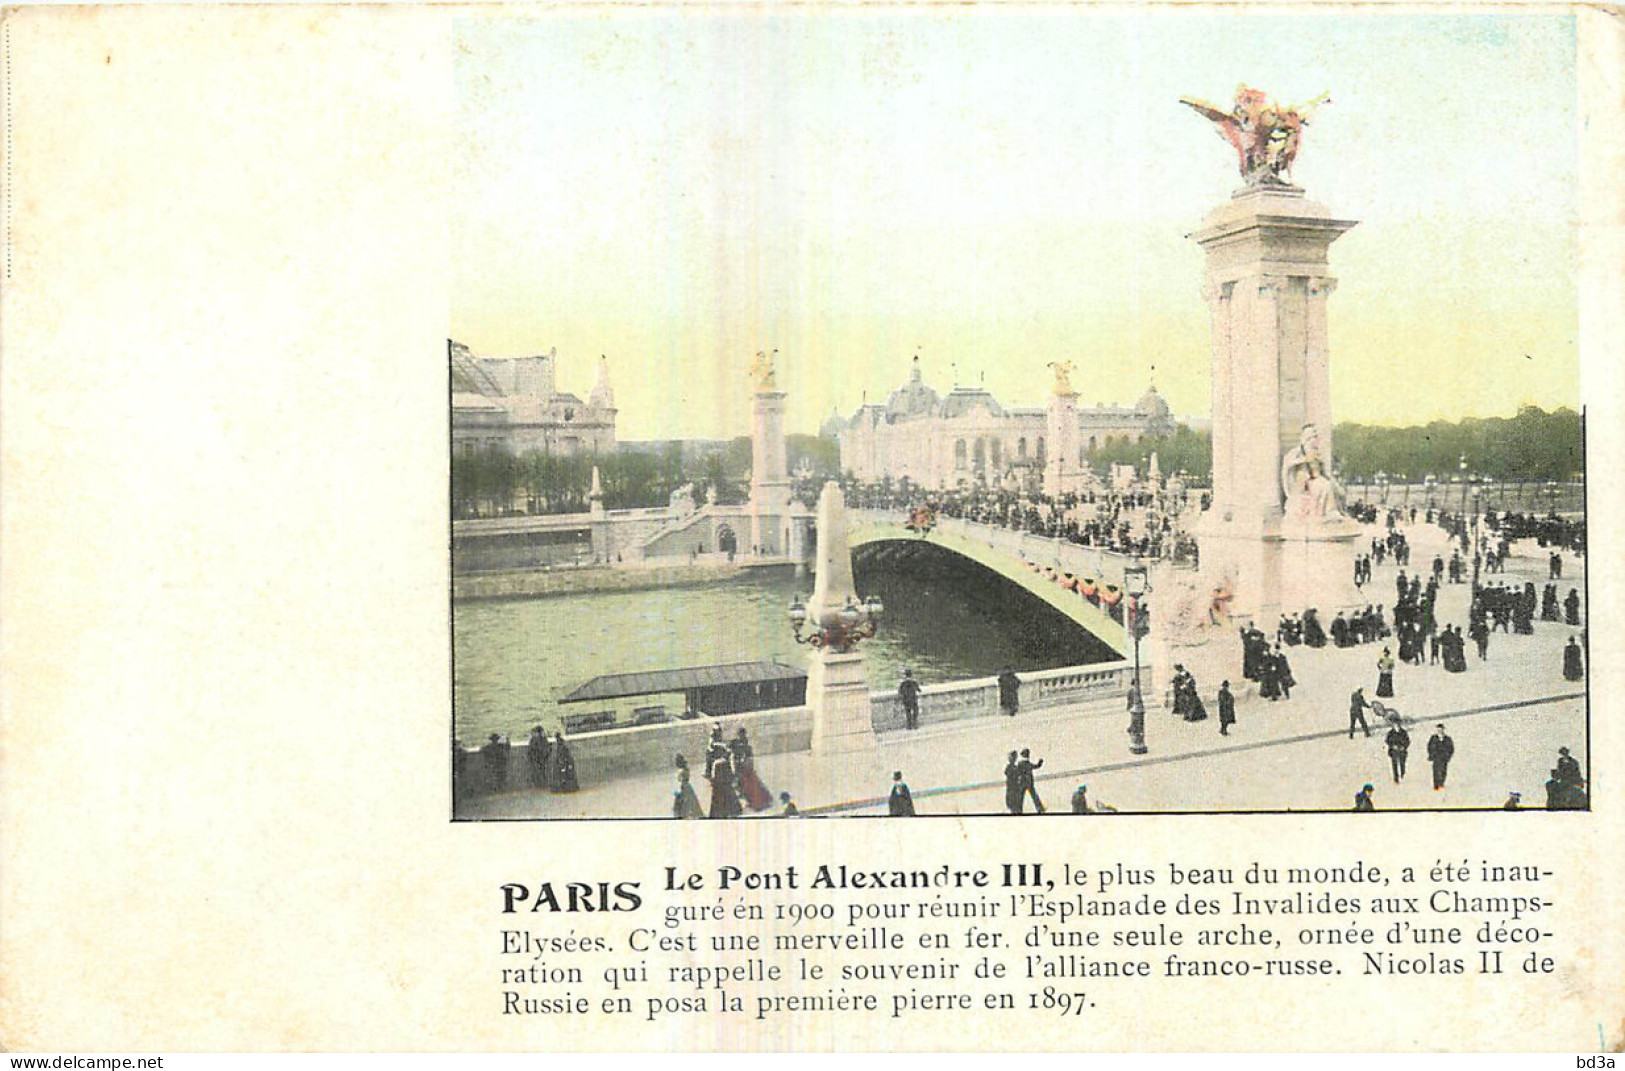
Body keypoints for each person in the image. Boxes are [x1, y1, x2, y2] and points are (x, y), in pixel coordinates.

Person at [731, 729, 773, 812]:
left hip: (746, 771)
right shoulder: (741, 747)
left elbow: (748, 758)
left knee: (750, 787)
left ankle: (755, 802)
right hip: (744, 771)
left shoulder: (745, 747)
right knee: (749, 787)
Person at [1016, 749, 1046, 814]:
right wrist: (1040, 763)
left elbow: (1017, 773)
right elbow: (1036, 766)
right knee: (1034, 797)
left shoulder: (1021, 764)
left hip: (1023, 783)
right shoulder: (1027, 764)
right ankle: (1040, 809)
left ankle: (1018, 810)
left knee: (1021, 798)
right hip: (1028, 783)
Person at [1427, 724, 1454, 791]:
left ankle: (1441, 783)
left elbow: (1451, 748)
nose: (1439, 731)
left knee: (1443, 771)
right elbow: (1429, 747)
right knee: (1435, 771)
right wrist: (1431, 754)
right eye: (1438, 729)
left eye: (1441, 729)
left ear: (1443, 730)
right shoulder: (1433, 738)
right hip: (1436, 757)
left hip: (1444, 758)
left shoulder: (1448, 739)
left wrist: (1448, 756)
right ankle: (1436, 785)